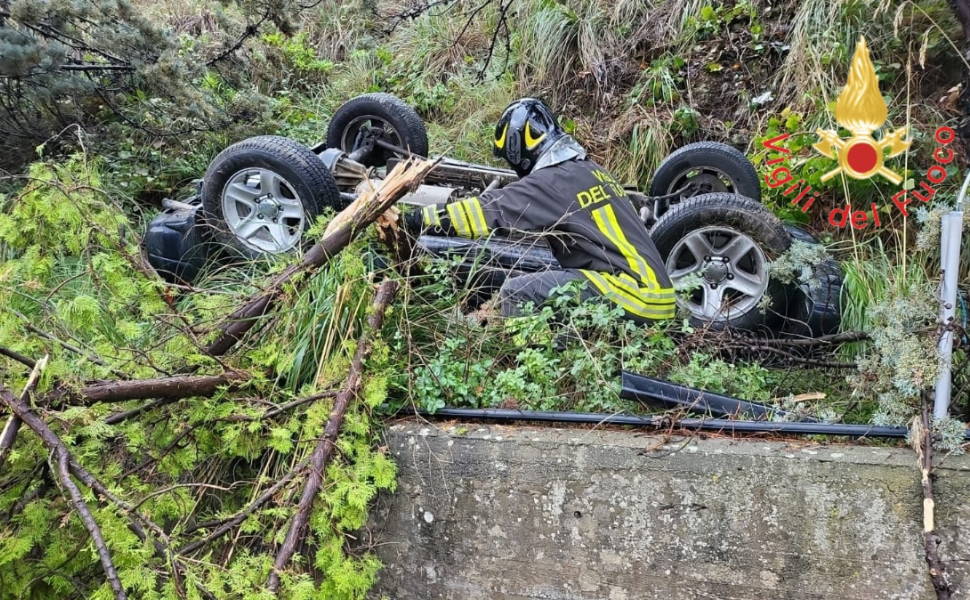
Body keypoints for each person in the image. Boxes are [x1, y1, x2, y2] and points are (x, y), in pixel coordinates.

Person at [403, 98, 675, 324]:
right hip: (659, 298)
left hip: (634, 296)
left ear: (520, 147)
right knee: (553, 285)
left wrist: (417, 219)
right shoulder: (590, 171)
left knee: (516, 291)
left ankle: (525, 366)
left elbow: (488, 211)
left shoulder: (551, 182)